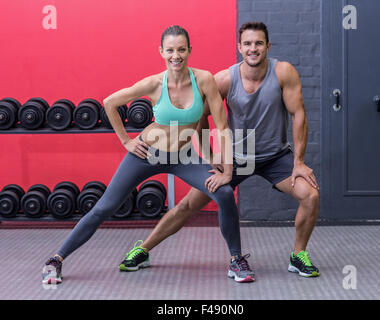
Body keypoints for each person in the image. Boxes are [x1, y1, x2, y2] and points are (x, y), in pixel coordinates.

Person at [41, 25, 255, 285]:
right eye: (170, 50)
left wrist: (228, 170)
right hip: (147, 154)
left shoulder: (204, 80)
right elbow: (110, 103)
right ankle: (56, 259)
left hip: (183, 156)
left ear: (189, 50)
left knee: (223, 192)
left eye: (181, 50)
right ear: (161, 52)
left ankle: (236, 260)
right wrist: (126, 141)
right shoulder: (153, 84)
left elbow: (221, 126)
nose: (176, 56)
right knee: (105, 207)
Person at [126, 22, 321, 278]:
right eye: (248, 44)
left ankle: (298, 256)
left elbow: (298, 116)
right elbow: (198, 118)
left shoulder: (284, 72)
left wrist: (298, 162)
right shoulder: (224, 79)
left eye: (259, 43)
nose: (253, 49)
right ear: (239, 47)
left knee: (311, 196)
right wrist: (211, 156)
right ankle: (143, 250)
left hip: (274, 155)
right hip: (237, 157)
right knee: (188, 206)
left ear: (267, 46)